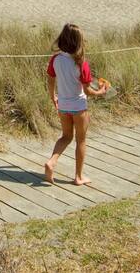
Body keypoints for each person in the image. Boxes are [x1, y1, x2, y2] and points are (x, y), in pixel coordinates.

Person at [43, 24, 108, 185]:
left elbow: (50, 81)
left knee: (65, 137)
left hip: (63, 106)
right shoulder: (80, 63)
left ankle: (51, 162)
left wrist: (54, 98)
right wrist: (101, 92)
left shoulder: (55, 59)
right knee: (81, 140)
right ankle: (79, 176)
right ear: (78, 42)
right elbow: (87, 91)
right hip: (79, 107)